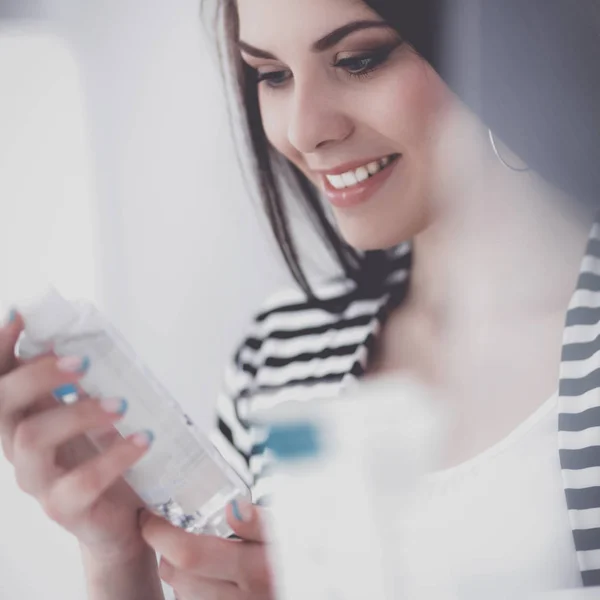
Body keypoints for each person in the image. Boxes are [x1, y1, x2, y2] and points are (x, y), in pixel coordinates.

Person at [1, 0, 599, 598]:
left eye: (359, 60)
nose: (303, 130)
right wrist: (118, 558)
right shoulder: (279, 351)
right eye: (272, 76)